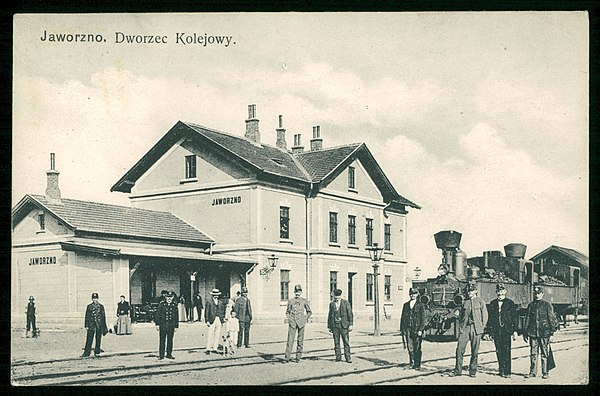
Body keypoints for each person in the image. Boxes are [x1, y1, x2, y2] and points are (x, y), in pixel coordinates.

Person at [449, 282, 488, 377]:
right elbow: (460, 314)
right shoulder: (464, 302)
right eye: (468, 291)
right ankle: (458, 370)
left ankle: (473, 370)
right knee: (459, 350)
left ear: (476, 291)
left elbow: (485, 316)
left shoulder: (480, 301)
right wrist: (457, 316)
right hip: (465, 328)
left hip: (476, 328)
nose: (470, 292)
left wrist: (481, 327)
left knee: (475, 351)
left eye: (471, 291)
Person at [524, 285, 559, 379]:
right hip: (533, 333)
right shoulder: (531, 305)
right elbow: (527, 319)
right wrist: (525, 332)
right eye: (535, 293)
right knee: (533, 353)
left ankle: (545, 372)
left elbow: (552, 319)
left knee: (545, 353)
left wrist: (552, 333)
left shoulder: (547, 305)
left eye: (539, 293)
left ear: (542, 294)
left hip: (544, 333)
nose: (537, 295)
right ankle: (532, 372)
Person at [487, 284, 518, 378]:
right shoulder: (492, 304)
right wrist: (489, 332)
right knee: (499, 351)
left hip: (506, 330)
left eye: (502, 291)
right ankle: (501, 370)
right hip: (497, 331)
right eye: (498, 291)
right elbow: (490, 319)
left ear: (505, 292)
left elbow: (515, 318)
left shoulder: (510, 303)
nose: (500, 293)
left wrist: (515, 331)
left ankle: (507, 371)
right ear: (496, 292)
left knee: (506, 351)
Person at [284, 284, 312, 363]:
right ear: (294, 292)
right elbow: (287, 312)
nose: (297, 293)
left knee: (300, 341)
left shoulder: (304, 301)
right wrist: (290, 319)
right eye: (296, 292)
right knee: (290, 340)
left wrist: (304, 318)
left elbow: (309, 312)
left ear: (301, 292)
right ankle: (287, 357)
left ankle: (298, 358)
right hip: (292, 323)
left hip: (301, 323)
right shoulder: (291, 301)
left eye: (299, 292)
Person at [400, 288, 426, 370]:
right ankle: (412, 363)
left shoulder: (420, 305)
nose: (412, 295)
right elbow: (403, 318)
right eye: (411, 294)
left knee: (417, 347)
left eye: (414, 294)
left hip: (417, 329)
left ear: (417, 294)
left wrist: (421, 330)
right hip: (408, 329)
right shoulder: (406, 305)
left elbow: (423, 319)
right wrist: (402, 329)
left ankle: (417, 364)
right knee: (410, 346)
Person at [327, 288, 354, 363]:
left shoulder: (346, 303)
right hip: (335, 326)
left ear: (340, 296)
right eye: (336, 296)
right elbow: (330, 315)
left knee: (346, 342)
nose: (337, 298)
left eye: (338, 296)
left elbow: (350, 314)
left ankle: (348, 357)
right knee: (336, 342)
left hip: (344, 325)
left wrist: (351, 324)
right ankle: (338, 357)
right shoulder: (332, 304)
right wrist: (329, 326)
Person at [82, 292, 109, 358]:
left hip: (99, 325)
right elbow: (87, 316)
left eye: (96, 298)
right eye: (94, 299)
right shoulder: (89, 306)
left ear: (98, 299)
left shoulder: (101, 306)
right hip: (91, 325)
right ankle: (86, 353)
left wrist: (104, 326)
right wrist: (86, 325)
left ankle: (97, 352)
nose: (95, 300)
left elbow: (103, 317)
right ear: (92, 299)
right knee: (89, 339)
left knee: (98, 339)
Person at [155, 291, 179, 360]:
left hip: (171, 325)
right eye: (168, 297)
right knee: (162, 341)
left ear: (173, 298)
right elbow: (158, 315)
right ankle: (161, 355)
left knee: (170, 341)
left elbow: (176, 317)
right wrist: (157, 324)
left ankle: (169, 354)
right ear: (165, 298)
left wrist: (176, 326)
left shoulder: (174, 305)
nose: (169, 299)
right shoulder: (161, 305)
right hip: (163, 325)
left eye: (170, 297)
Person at [205, 289, 225, 355]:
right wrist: (207, 320)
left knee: (217, 334)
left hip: (219, 319)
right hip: (212, 319)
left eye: (217, 295)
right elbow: (206, 311)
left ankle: (215, 348)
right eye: (215, 295)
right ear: (212, 295)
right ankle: (208, 348)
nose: (216, 296)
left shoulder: (220, 302)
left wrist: (222, 319)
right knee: (210, 334)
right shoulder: (209, 301)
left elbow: (222, 311)